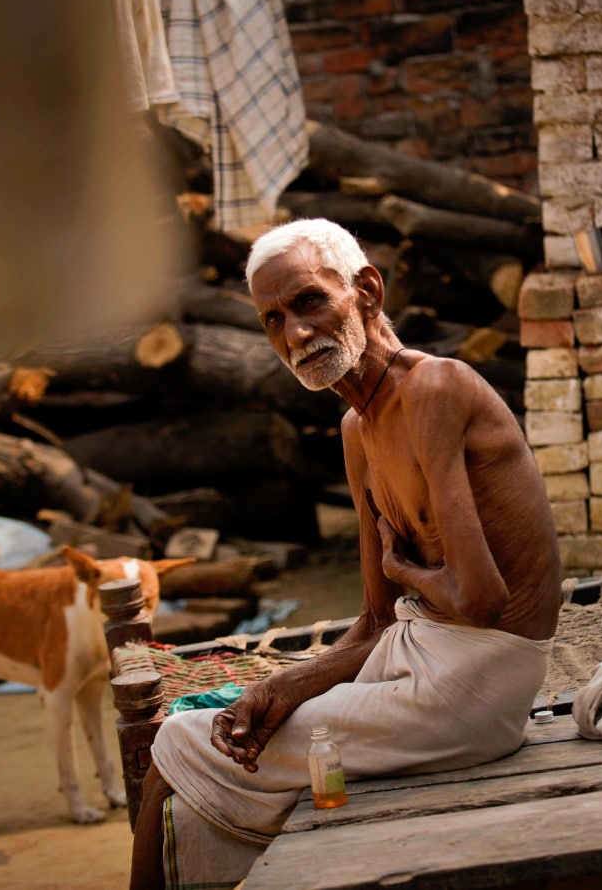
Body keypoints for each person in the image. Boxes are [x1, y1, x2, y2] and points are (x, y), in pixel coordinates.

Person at [130, 218, 564, 889]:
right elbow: (376, 621)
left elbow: (482, 600)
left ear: (366, 291)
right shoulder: (356, 429)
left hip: (479, 681)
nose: (295, 335)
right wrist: (285, 683)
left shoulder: (436, 389)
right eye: (273, 320)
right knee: (233, 716)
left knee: (177, 744)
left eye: (309, 302)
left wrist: (405, 571)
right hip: (419, 658)